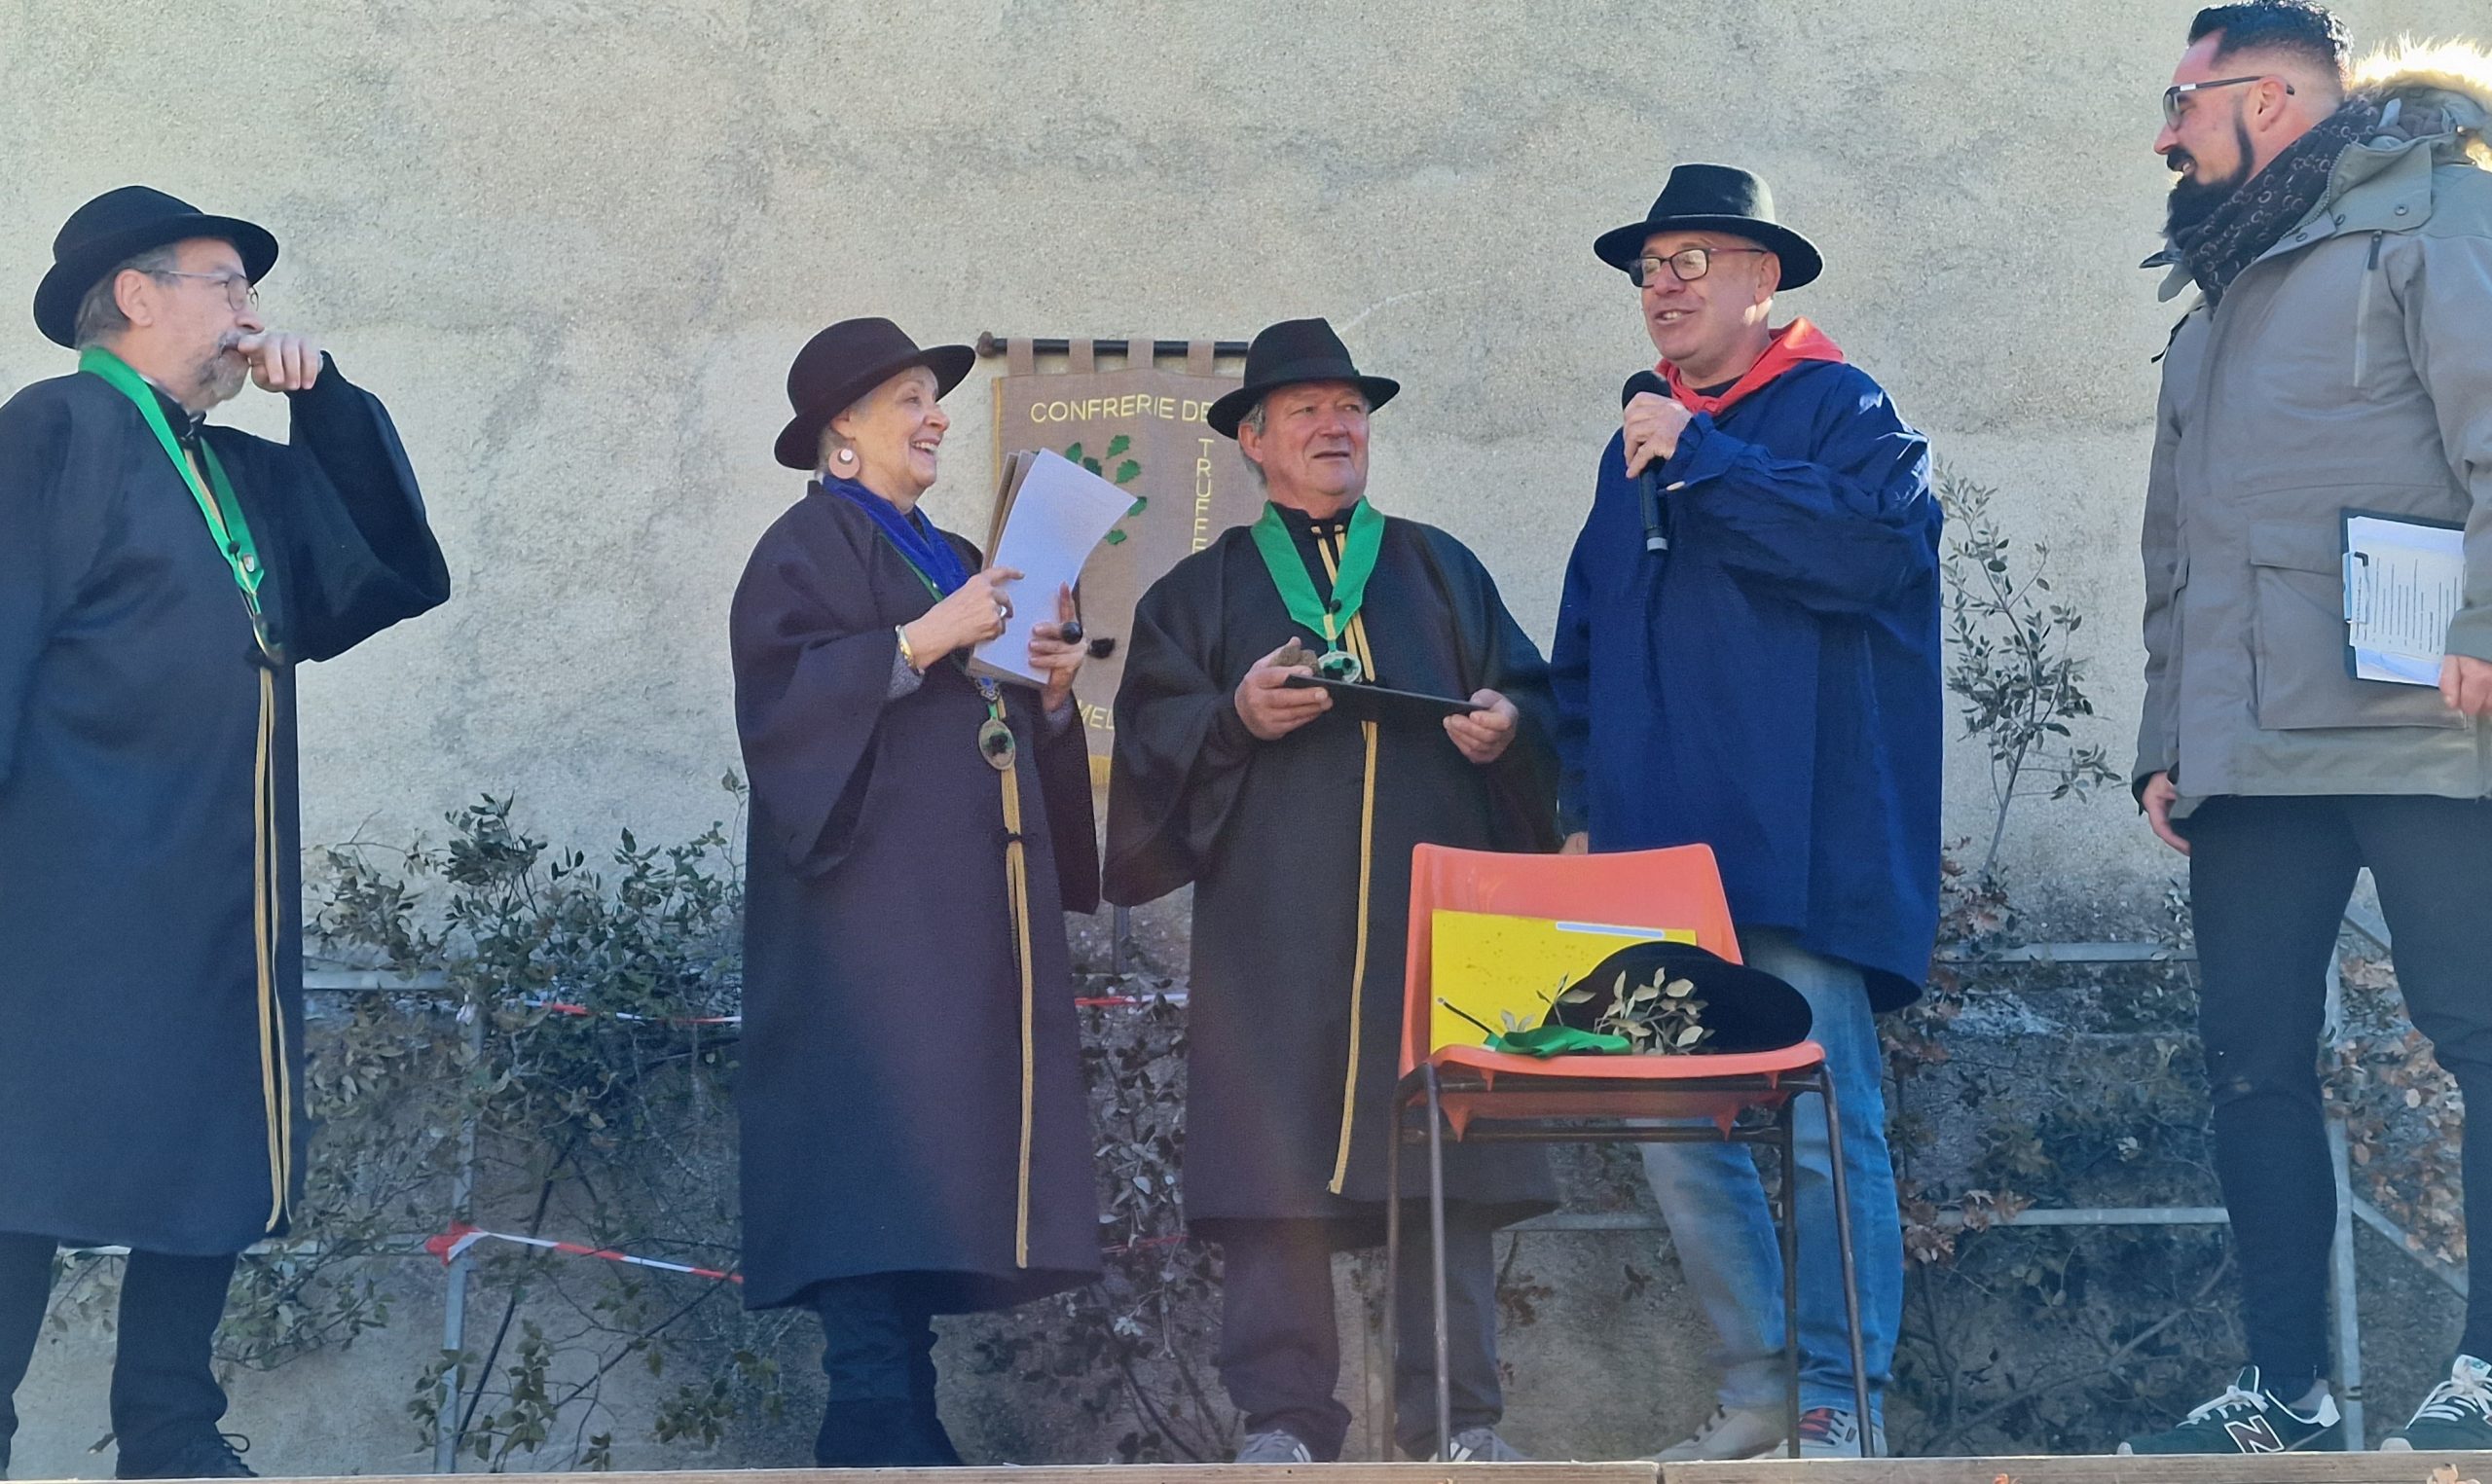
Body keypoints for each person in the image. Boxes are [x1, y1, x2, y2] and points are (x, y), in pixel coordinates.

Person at [0, 186, 452, 1480]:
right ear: (136, 297)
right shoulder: (57, 429)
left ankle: (171, 1433)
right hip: (65, 889)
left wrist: (327, 407)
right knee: (20, 1158)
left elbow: (384, 567)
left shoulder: (227, 465)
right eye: (224, 283)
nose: (251, 310)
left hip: (210, 893)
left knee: (208, 1142)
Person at [2121, 2, 2492, 1456]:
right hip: (2252, 748)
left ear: (2269, 99)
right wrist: (2169, 732)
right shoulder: (2221, 285)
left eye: (2181, 100)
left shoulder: (2436, 215)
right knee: (2252, 1059)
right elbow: (2184, 545)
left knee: (2479, 1034)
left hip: (2423, 721)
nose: (2163, 132)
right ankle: (2287, 1390)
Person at [1104, 317, 1561, 1465]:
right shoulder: (1198, 593)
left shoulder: (1440, 568)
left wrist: (1511, 731)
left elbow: (1538, 704)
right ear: (1252, 441)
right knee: (1274, 1173)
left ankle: (1457, 1423)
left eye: (1350, 408)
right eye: (1305, 410)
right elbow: (1150, 743)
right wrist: (1233, 718)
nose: (1335, 425)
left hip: (1430, 930)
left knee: (1441, 1164)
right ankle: (1284, 1422)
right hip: (1277, 930)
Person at [1551, 164, 1941, 1462]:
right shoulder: (1639, 446)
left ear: (1762, 280)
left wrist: (1705, 456)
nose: (1662, 286)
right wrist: (1573, 811)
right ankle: (1761, 1386)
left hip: (1801, 844)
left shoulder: (1843, 406)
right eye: (1648, 267)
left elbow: (1874, 550)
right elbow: (1589, 638)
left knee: (1829, 1121)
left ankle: (1842, 1400)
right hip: (1664, 859)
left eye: (1691, 261)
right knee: (1671, 1125)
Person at [730, 316, 1102, 1467]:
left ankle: (906, 1409)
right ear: (840, 427)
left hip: (954, 917)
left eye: (930, 397)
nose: (935, 413)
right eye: (906, 399)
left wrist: (1047, 693)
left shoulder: (940, 546)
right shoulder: (804, 544)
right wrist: (918, 639)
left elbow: (986, 718)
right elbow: (782, 710)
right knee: (866, 1146)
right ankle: (871, 1409)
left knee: (933, 1151)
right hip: (864, 918)